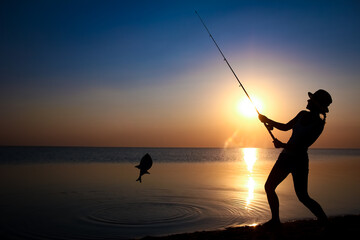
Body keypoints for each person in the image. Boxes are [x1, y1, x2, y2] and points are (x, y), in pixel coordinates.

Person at [258, 89, 332, 227]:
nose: (308, 101)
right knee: (269, 187)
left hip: (299, 161)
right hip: (285, 157)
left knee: (303, 196)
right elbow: (285, 127)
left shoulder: (318, 124)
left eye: (311, 100)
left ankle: (325, 223)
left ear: (316, 104)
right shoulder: (302, 114)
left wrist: (282, 145)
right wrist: (268, 121)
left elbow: (303, 146)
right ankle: (275, 220)